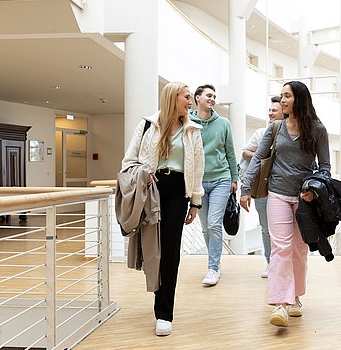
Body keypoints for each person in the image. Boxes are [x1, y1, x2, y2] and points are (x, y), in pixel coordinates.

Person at [240, 81, 331, 328]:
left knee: (299, 249)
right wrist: (246, 189)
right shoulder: (276, 127)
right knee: (281, 247)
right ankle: (281, 303)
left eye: (287, 96)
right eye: (281, 96)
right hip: (277, 194)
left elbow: (325, 168)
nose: (282, 100)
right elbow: (258, 159)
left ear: (299, 99)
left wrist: (314, 190)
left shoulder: (318, 129)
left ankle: (296, 296)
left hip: (304, 199)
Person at [121, 82, 204, 336]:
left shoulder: (192, 130)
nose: (190, 102)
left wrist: (195, 202)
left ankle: (164, 312)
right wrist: (143, 174)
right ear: (173, 98)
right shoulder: (148, 125)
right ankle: (158, 298)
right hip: (152, 189)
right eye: (187, 97)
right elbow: (128, 160)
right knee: (153, 250)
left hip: (178, 192)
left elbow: (198, 167)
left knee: (170, 251)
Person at [189, 84, 238, 287]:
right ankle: (213, 264)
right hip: (198, 182)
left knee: (214, 224)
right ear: (197, 98)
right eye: (208, 95)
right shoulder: (187, 121)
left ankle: (213, 268)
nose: (212, 98)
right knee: (206, 228)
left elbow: (230, 153)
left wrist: (234, 179)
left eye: (214, 96)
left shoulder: (224, 123)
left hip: (221, 179)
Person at [240, 96, 284, 278]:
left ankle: (283, 265)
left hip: (283, 188)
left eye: (274, 110)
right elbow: (245, 152)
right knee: (266, 228)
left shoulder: (291, 133)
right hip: (262, 188)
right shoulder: (261, 133)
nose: (270, 113)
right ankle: (270, 263)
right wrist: (264, 156)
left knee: (282, 230)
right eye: (270, 110)